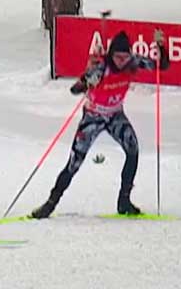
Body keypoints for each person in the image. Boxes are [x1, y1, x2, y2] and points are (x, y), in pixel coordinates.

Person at [31, 29, 171, 219]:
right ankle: (50, 204)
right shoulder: (101, 67)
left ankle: (124, 201)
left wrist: (161, 45)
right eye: (117, 57)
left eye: (125, 56)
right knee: (74, 162)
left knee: (133, 150)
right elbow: (75, 89)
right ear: (110, 55)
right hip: (93, 117)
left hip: (115, 116)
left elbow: (161, 66)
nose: (121, 61)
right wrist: (87, 81)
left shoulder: (133, 62)